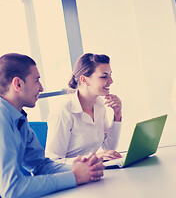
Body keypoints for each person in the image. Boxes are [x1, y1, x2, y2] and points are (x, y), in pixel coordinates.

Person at [0, 53, 104, 198]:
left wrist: (83, 169)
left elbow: (41, 166)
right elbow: (11, 189)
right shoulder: (2, 117)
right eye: (36, 80)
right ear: (18, 84)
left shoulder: (18, 117)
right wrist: (74, 177)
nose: (41, 88)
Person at [46, 53, 123, 165]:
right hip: (70, 177)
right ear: (84, 80)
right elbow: (53, 162)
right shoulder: (63, 112)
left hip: (91, 173)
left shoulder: (99, 105)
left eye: (110, 75)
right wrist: (94, 157)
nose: (111, 81)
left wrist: (117, 114)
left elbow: (109, 146)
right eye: (104, 76)